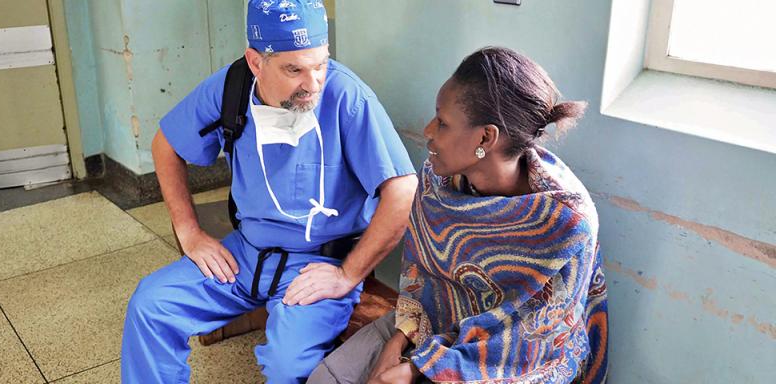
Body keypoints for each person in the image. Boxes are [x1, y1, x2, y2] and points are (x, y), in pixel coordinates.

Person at [119, 1, 418, 382]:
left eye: (320, 65)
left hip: (317, 263)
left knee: (287, 364)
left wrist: (347, 274)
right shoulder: (232, 87)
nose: (313, 84)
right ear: (256, 62)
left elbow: (403, 190)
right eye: (294, 70)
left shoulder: (346, 96)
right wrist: (189, 232)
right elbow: (166, 144)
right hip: (245, 254)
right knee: (151, 305)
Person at [308, 47, 609, 384]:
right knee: (325, 379)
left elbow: (528, 342)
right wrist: (398, 341)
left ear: (486, 137)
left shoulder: (564, 222)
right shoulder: (436, 181)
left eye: (443, 123)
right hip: (430, 324)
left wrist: (419, 368)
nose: (428, 130)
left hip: (512, 362)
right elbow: (421, 281)